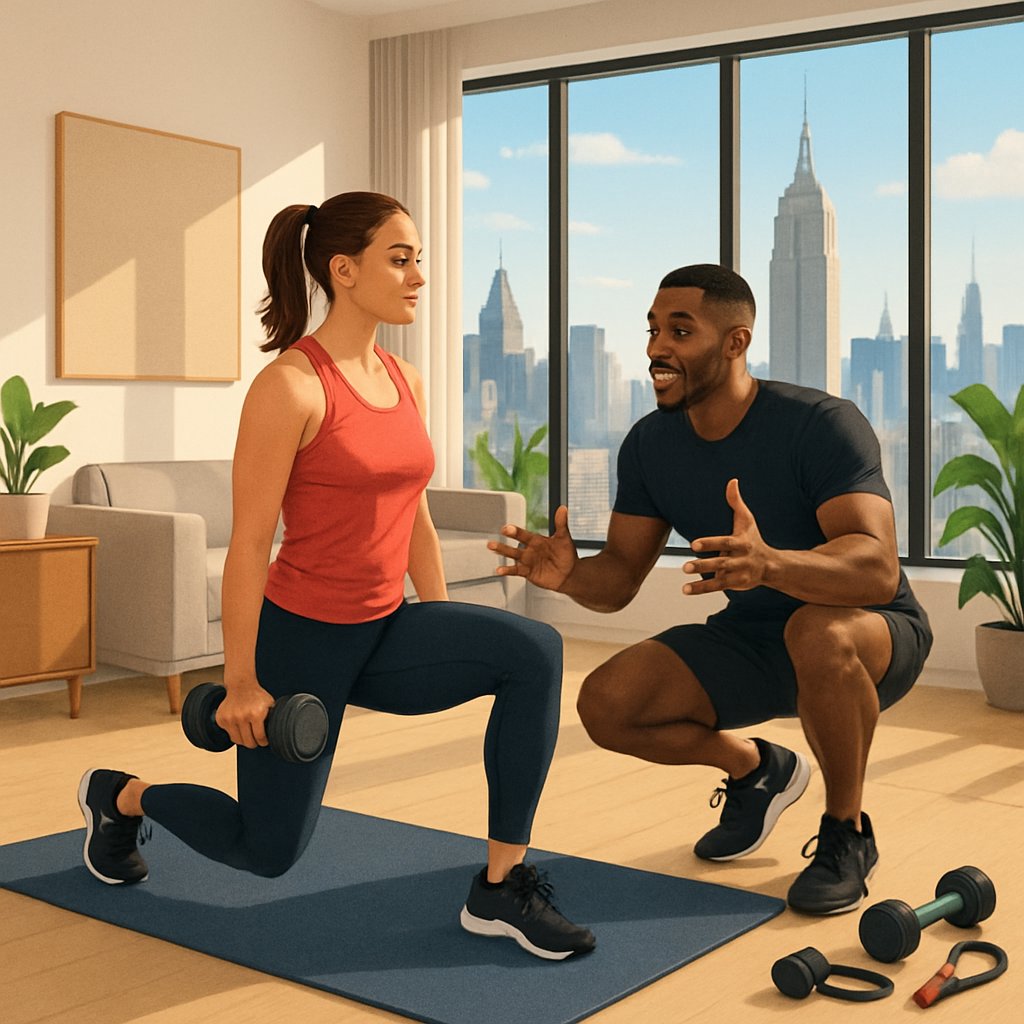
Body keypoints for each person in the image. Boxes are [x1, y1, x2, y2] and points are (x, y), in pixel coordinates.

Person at [77, 191, 594, 961]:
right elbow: (250, 545)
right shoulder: (289, 388)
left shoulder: (405, 379)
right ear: (343, 269)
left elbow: (411, 509)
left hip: (388, 628)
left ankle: (499, 890)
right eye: (400, 257)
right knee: (266, 852)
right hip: (304, 644)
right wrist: (244, 682)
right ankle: (117, 796)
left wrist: (445, 619)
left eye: (419, 257)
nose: (419, 274)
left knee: (533, 651)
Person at [490, 264, 932, 915]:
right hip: (754, 638)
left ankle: (847, 832)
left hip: (866, 632)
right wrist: (570, 575)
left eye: (680, 330)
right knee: (607, 703)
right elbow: (617, 582)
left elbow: (876, 569)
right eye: (652, 330)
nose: (655, 348)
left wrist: (772, 565)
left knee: (815, 628)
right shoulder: (649, 445)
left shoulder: (820, 424)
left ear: (735, 342)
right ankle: (758, 769)